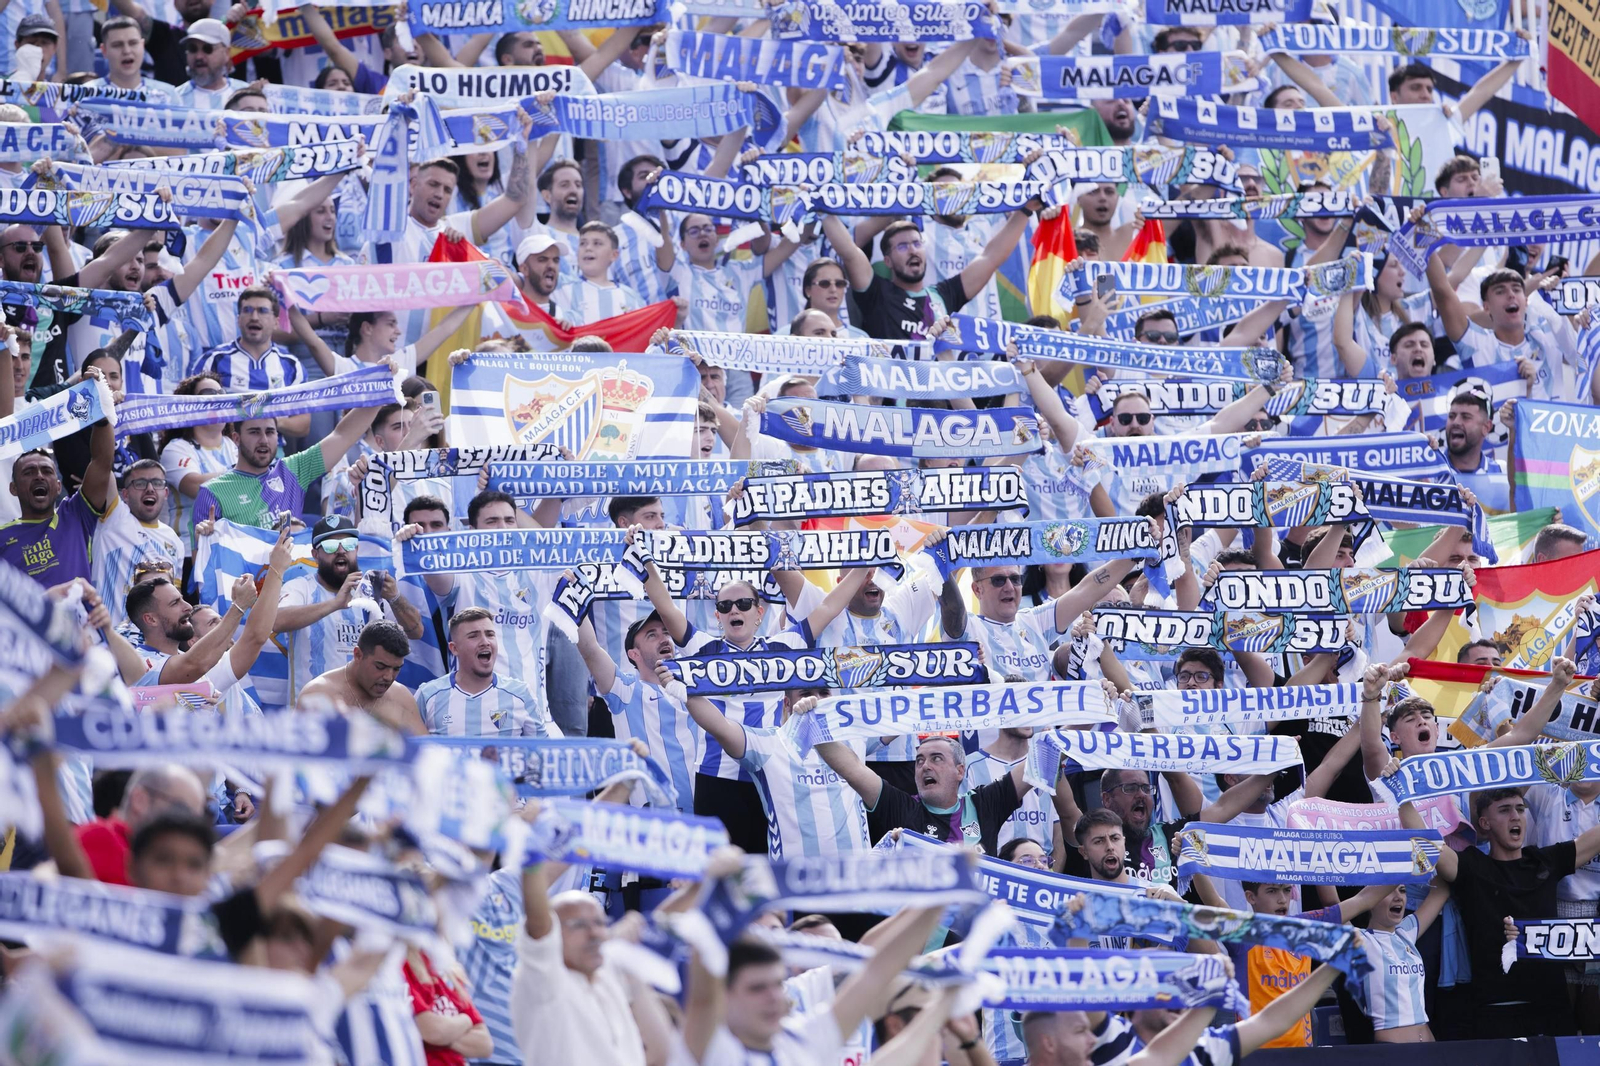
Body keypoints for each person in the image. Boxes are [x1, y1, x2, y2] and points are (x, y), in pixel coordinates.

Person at [273, 514, 424, 703]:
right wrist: (335, 604)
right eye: (330, 546)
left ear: (357, 549)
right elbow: (276, 621)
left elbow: (416, 631)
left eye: (349, 544)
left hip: (363, 719)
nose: (341, 550)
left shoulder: (372, 590)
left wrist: (395, 597)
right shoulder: (301, 587)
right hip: (312, 718)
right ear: (315, 555)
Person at [416, 607, 557, 737]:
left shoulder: (521, 694)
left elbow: (542, 754)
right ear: (454, 649)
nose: (485, 642)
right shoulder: (427, 695)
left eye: (490, 634)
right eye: (473, 636)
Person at [299, 620, 426, 734]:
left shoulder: (401, 697)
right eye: (380, 666)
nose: (388, 677)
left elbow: (425, 750)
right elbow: (299, 754)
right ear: (358, 655)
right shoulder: (319, 693)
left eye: (396, 669)